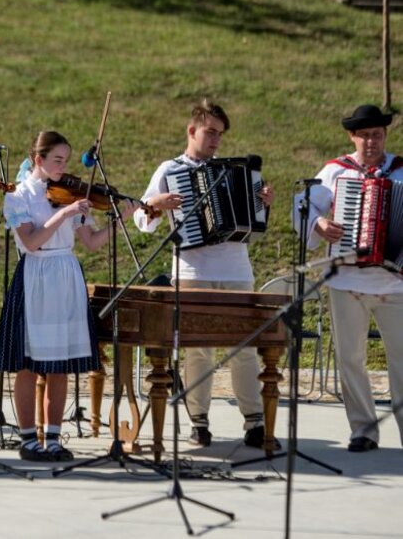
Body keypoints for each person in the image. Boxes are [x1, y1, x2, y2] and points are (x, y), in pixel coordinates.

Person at [133, 99, 275, 449]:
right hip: (192, 269)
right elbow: (141, 221)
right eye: (210, 132)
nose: (215, 140)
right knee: (199, 350)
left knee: (244, 347)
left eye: (220, 135)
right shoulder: (170, 168)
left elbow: (254, 226)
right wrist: (156, 205)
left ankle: (254, 422)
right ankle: (199, 421)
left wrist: (262, 204)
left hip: (237, 268)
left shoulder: (234, 170)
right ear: (192, 130)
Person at [0, 131, 138, 461]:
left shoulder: (70, 194)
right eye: (57, 160)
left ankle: (53, 437)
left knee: (60, 363)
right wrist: (65, 214)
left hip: (66, 273)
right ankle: (29, 438)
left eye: (66, 161)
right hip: (35, 273)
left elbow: (92, 242)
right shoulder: (19, 196)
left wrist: (122, 219)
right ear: (38, 160)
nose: (64, 167)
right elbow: (31, 241)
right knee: (26, 365)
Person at [293, 104, 403, 452]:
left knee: (401, 359)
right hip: (346, 282)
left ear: (385, 136)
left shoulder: (400, 172)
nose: (371, 141)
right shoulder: (335, 172)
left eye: (377, 135)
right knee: (350, 358)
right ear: (352, 137)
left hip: (394, 283)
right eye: (364, 135)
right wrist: (318, 224)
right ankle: (363, 430)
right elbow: (303, 203)